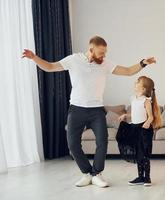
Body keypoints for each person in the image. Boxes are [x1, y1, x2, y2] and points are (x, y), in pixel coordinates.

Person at [22, 36, 156, 188]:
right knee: (72, 145)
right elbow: (51, 67)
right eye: (101, 53)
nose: (103, 56)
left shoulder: (105, 63)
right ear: (91, 49)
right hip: (76, 109)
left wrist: (142, 63)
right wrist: (34, 58)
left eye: (105, 53)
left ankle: (97, 174)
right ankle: (87, 173)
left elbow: (128, 71)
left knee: (102, 142)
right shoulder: (74, 60)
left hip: (97, 110)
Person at [117, 76, 162, 186]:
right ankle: (140, 177)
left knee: (144, 153)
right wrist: (125, 115)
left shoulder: (146, 101)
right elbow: (135, 114)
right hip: (135, 128)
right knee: (138, 154)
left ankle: (147, 178)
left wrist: (147, 122)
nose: (135, 83)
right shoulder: (133, 98)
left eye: (138, 82)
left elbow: (151, 116)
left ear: (143, 89)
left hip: (144, 130)